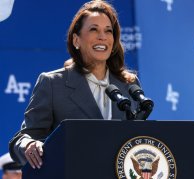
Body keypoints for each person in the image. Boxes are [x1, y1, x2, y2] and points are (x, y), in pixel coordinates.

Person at [9, 0, 140, 170]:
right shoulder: (52, 83)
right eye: (94, 29)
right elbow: (22, 138)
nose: (102, 36)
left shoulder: (129, 84)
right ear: (76, 40)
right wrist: (28, 145)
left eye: (108, 31)